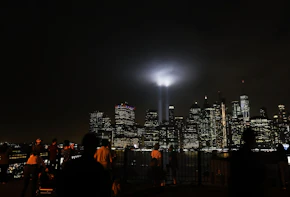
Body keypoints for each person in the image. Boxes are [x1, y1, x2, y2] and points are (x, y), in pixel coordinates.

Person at [58, 133, 111, 197]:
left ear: (83, 146)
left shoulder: (71, 165)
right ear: (95, 148)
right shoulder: (98, 169)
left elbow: (62, 188)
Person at [229, 128, 266, 197]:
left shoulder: (237, 154)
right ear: (252, 140)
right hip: (249, 189)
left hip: (238, 188)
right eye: (254, 138)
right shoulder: (252, 156)